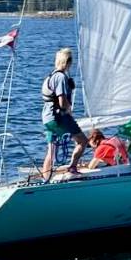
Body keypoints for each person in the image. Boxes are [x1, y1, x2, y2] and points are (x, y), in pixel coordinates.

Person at [41, 47, 87, 181]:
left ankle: (46, 179)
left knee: (51, 149)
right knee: (82, 141)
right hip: (58, 117)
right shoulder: (60, 77)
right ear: (68, 61)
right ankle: (72, 167)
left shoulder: (50, 76)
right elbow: (62, 101)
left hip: (47, 118)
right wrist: (69, 110)